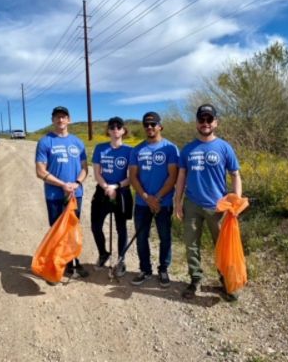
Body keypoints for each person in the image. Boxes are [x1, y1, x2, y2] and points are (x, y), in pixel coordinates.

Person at [175, 104, 242, 301]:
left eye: (209, 119)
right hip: (192, 204)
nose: (205, 123)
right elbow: (181, 177)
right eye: (201, 120)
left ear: (215, 123)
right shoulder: (187, 149)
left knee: (223, 246)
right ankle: (195, 280)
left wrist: (235, 202)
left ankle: (226, 282)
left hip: (218, 206)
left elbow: (236, 175)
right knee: (191, 245)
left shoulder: (224, 147)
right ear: (196, 123)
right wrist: (177, 202)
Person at [35, 106, 89, 281]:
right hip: (54, 195)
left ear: (69, 120)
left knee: (73, 229)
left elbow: (84, 169)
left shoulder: (78, 142)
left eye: (63, 117)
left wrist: (76, 183)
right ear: (52, 120)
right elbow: (40, 171)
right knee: (57, 230)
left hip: (75, 194)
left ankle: (73, 261)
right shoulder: (45, 142)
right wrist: (62, 184)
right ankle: (57, 265)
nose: (60, 120)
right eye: (57, 117)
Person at [129, 112, 179, 288]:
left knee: (165, 237)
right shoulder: (137, 150)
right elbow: (133, 177)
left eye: (153, 124)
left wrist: (156, 198)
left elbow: (173, 176)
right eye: (146, 125)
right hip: (142, 203)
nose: (149, 127)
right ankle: (145, 269)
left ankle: (163, 269)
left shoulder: (170, 149)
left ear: (160, 126)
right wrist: (145, 197)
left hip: (163, 203)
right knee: (142, 237)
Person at [91, 117, 133, 277]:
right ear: (108, 131)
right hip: (103, 191)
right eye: (112, 127)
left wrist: (116, 186)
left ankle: (121, 259)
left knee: (121, 228)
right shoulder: (100, 148)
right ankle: (103, 253)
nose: (115, 129)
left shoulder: (130, 151)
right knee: (96, 226)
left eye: (119, 126)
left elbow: (132, 177)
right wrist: (106, 187)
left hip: (121, 191)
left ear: (123, 130)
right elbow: (97, 173)